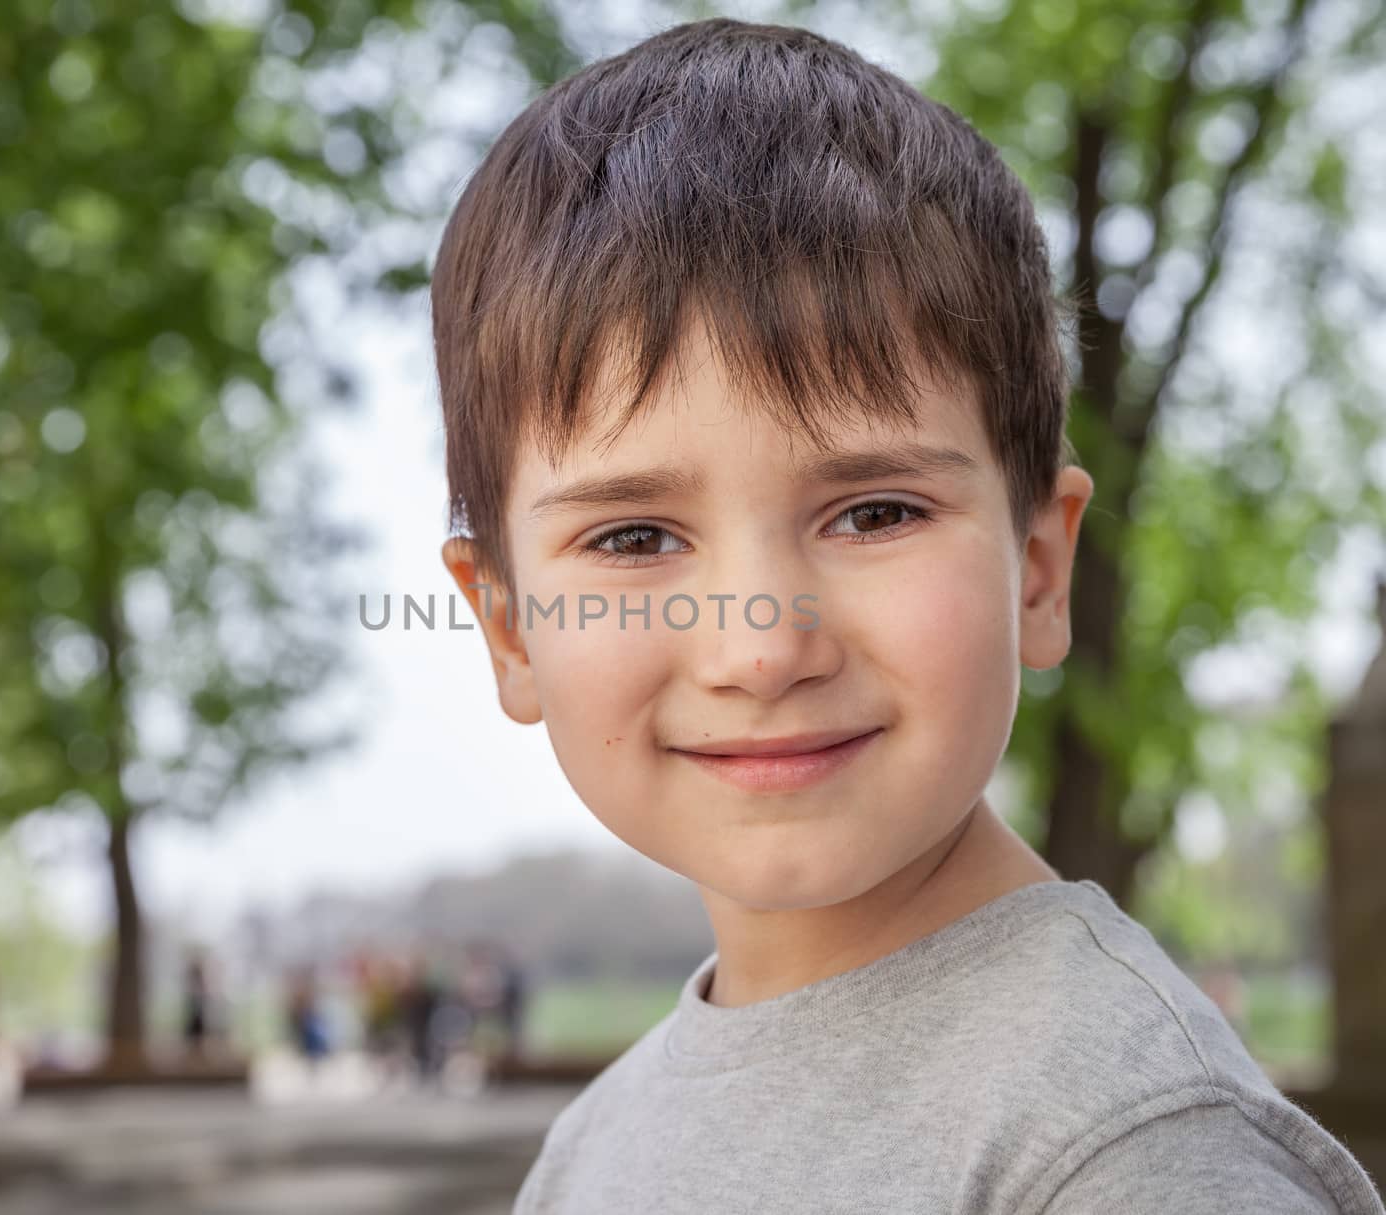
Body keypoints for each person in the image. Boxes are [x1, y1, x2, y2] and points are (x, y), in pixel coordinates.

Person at [429, 18, 1384, 1213]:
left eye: (874, 513)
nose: (761, 647)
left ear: (1036, 571)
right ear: (512, 630)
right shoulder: (590, 1148)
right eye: (634, 538)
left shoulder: (1123, 1149)